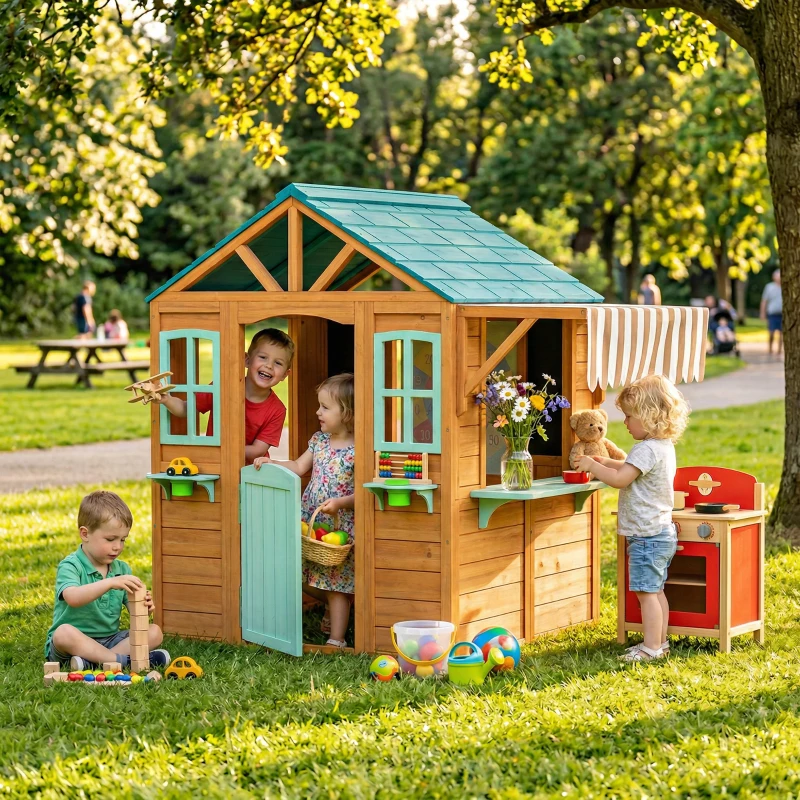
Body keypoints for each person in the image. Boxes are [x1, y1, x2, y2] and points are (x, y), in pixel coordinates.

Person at [577, 374, 690, 662]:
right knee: (655, 590)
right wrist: (606, 461)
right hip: (660, 531)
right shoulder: (662, 447)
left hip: (646, 536)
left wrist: (591, 464)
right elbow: (628, 468)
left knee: (645, 593)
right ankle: (659, 644)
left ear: (649, 416)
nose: (625, 423)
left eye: (629, 416)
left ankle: (650, 648)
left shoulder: (646, 448)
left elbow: (620, 479)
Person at [254, 373, 355, 648]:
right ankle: (330, 612)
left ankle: (336, 639)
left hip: (338, 527)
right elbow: (299, 467)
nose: (317, 412)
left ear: (346, 414)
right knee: (302, 573)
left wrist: (340, 503)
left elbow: (362, 493)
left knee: (335, 584)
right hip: (311, 521)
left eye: (325, 407)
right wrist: (272, 463)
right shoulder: (319, 441)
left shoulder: (358, 450)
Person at [45, 490, 170, 671]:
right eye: (110, 539)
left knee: (154, 632)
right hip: (74, 643)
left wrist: (145, 606)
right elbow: (73, 597)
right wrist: (109, 583)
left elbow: (136, 613)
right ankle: (122, 661)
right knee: (63, 633)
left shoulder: (122, 569)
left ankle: (94, 662)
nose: (117, 547)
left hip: (111, 640)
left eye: (123, 540)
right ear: (85, 534)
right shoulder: (71, 565)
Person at [155, 328, 293, 465]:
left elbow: (257, 451)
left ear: (285, 375)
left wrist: (223, 450)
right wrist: (167, 399)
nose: (269, 365)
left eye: (278, 363)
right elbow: (186, 409)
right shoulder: (223, 387)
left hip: (250, 472)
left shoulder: (277, 410)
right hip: (216, 464)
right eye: (263, 357)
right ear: (247, 360)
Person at [760, 269, 783, 356]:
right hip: (772, 313)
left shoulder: (785, 287)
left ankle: (779, 351)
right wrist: (762, 313)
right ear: (774, 277)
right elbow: (764, 301)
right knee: (771, 332)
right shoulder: (769, 287)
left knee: (782, 333)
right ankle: (770, 349)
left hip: (782, 313)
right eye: (777, 276)